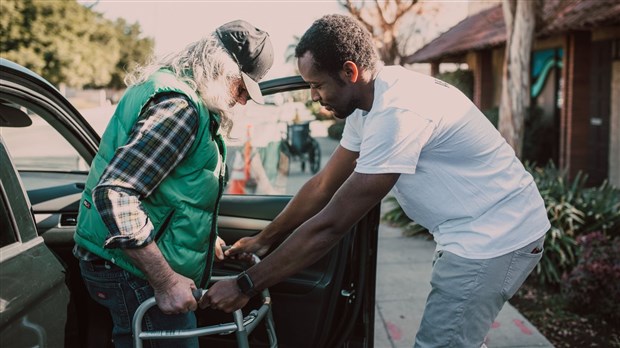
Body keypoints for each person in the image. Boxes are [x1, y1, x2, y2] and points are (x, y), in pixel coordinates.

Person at [205, 14, 550, 348]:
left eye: (317, 85)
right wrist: (264, 241)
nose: (312, 96)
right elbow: (325, 185)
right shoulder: (369, 104)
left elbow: (332, 224)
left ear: (350, 72)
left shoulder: (398, 111)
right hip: (473, 233)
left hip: (495, 238)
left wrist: (245, 285)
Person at [73, 19, 273, 347]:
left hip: (124, 262)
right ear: (222, 70)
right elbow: (116, 193)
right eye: (241, 88)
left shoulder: (174, 92)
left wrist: (203, 237)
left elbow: (167, 190)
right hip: (132, 272)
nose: (242, 101)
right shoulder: (181, 108)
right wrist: (165, 281)